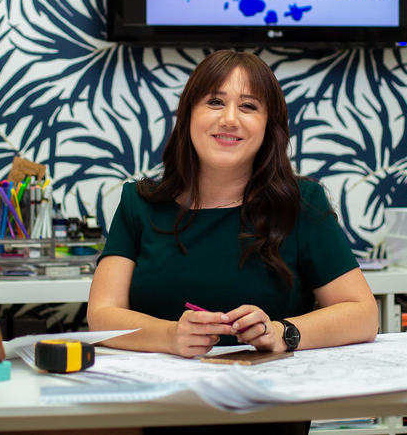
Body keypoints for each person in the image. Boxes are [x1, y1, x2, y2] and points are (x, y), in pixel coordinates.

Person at [87, 50, 378, 433]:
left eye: (248, 106)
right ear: (188, 115)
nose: (229, 119)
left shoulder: (302, 204)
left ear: (268, 126)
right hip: (161, 415)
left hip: (269, 416)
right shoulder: (139, 203)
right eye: (215, 102)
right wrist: (172, 336)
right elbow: (102, 315)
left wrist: (280, 332)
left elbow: (363, 313)